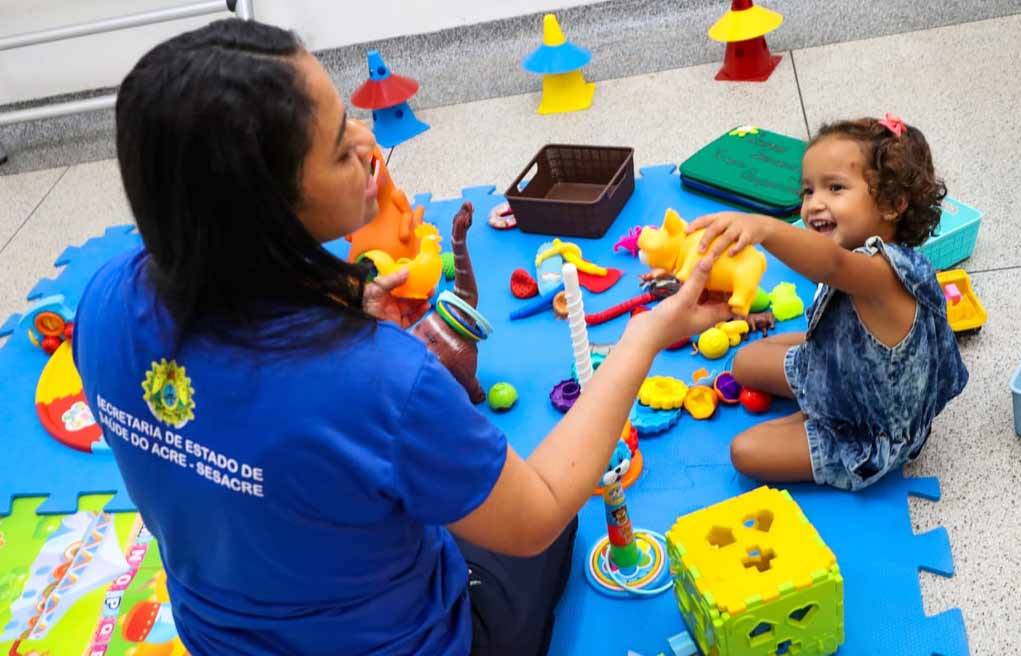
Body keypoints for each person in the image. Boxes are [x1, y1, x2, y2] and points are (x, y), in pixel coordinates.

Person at [72, 19, 732, 656]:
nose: (367, 143)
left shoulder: (103, 299)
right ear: (271, 210)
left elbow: (237, 418)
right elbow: (538, 516)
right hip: (409, 641)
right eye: (338, 146)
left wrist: (331, 302)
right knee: (555, 525)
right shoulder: (383, 379)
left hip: (220, 635)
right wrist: (647, 333)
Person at [687, 115, 969, 491]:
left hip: (868, 430)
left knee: (745, 451)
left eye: (835, 188)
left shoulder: (882, 272)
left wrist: (767, 227)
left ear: (891, 204)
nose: (814, 204)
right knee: (742, 363)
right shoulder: (852, 252)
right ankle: (814, 405)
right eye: (807, 191)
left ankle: (813, 416)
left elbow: (831, 265)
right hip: (838, 373)